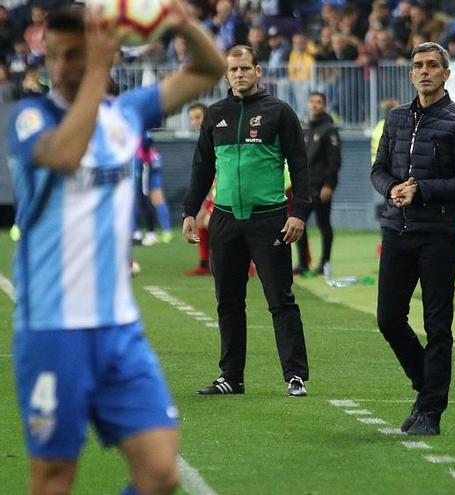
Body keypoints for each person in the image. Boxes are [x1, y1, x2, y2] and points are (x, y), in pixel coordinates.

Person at [7, 4, 225, 494]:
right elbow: (65, 154)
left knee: (160, 474)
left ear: (100, 54)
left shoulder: (126, 113)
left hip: (118, 328)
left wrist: (177, 20)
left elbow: (209, 70)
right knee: (54, 478)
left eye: (77, 56)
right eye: (57, 56)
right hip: (52, 329)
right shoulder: (28, 118)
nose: (64, 66)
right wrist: (98, 72)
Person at [182, 44, 312, 397]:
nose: (239, 74)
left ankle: (295, 375)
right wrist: (190, 211)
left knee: (280, 299)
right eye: (233, 70)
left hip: (268, 219)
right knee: (228, 301)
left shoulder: (279, 112)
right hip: (224, 219)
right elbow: (202, 167)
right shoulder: (214, 114)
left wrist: (298, 212)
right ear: (226, 75)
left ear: (258, 71)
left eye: (245, 68)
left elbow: (300, 166)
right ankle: (231, 378)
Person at [371, 42, 455, 435]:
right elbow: (378, 169)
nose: (424, 71)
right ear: (410, 74)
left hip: (437, 236)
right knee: (388, 319)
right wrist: (392, 190)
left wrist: (421, 190)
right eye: (418, 65)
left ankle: (430, 412)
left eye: (432, 65)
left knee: (438, 326)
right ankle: (426, 387)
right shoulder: (397, 117)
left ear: (446, 74)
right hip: (396, 230)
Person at [294, 91, 341, 275]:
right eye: (312, 101)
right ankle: (303, 263)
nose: (314, 105)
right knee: (298, 222)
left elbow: (334, 161)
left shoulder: (329, 129)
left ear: (324, 105)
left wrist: (329, 185)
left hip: (321, 186)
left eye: (318, 102)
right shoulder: (304, 127)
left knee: (323, 224)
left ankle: (325, 263)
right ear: (307, 104)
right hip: (304, 187)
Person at [184, 102, 213, 276]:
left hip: (227, 191)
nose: (196, 122)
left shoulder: (217, 134)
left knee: (211, 223)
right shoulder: (203, 138)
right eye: (193, 118)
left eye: (198, 117)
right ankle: (205, 264)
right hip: (214, 192)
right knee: (202, 221)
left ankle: (246, 263)